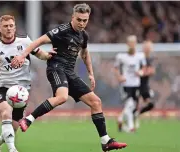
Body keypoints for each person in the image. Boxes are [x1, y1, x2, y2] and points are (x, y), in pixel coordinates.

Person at [11, 3, 127, 152]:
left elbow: (85, 54)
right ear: (73, 17)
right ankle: (28, 119)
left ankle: (106, 142)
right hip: (56, 68)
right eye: (79, 19)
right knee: (62, 97)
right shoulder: (62, 30)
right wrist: (22, 55)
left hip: (70, 73)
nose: (82, 23)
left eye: (85, 20)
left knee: (96, 102)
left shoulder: (83, 35)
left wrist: (91, 73)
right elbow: (38, 41)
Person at [0, 15, 55, 152]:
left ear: (14, 27)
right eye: (5, 26)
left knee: (13, 127)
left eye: (11, 26)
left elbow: (40, 55)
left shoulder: (25, 41)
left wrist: (49, 55)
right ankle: (13, 149)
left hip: (22, 90)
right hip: (4, 88)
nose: (9, 28)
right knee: (6, 113)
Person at [114, 35, 146, 133]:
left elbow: (144, 67)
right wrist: (119, 77)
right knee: (129, 104)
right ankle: (131, 127)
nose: (132, 44)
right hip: (126, 84)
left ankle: (120, 118)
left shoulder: (140, 56)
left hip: (136, 83)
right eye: (130, 42)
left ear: (136, 43)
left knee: (132, 106)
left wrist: (141, 72)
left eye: (134, 42)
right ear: (127, 44)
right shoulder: (121, 56)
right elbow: (115, 68)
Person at [136, 40, 155, 116]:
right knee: (134, 104)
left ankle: (137, 115)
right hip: (137, 84)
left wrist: (146, 72)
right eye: (147, 47)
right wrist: (144, 72)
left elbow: (152, 71)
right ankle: (131, 119)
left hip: (144, 84)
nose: (148, 49)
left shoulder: (149, 59)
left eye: (149, 47)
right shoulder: (140, 58)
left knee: (150, 104)